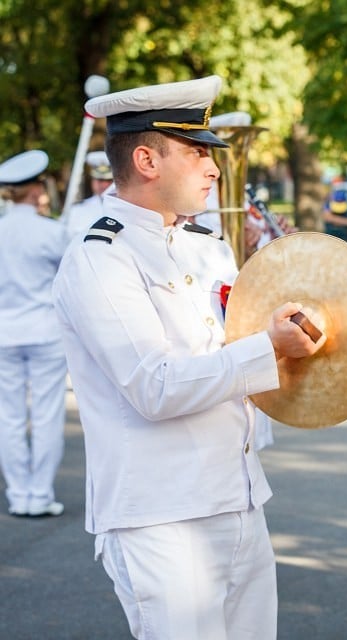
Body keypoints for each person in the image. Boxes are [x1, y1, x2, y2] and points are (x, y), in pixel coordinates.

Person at [52, 75, 322, 640]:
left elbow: (228, 351)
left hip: (239, 497)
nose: (214, 169)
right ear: (147, 159)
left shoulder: (208, 245)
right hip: (161, 515)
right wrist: (268, 346)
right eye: (198, 152)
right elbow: (156, 387)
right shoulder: (101, 258)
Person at [0, 149, 70, 518]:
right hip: (44, 332)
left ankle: (19, 495)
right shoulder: (52, 231)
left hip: (4, 333)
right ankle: (40, 495)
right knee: (46, 415)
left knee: (8, 418)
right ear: (34, 189)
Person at [66, 150, 115, 238]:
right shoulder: (78, 209)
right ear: (93, 181)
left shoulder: (122, 206)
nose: (104, 185)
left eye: (108, 180)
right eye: (100, 180)